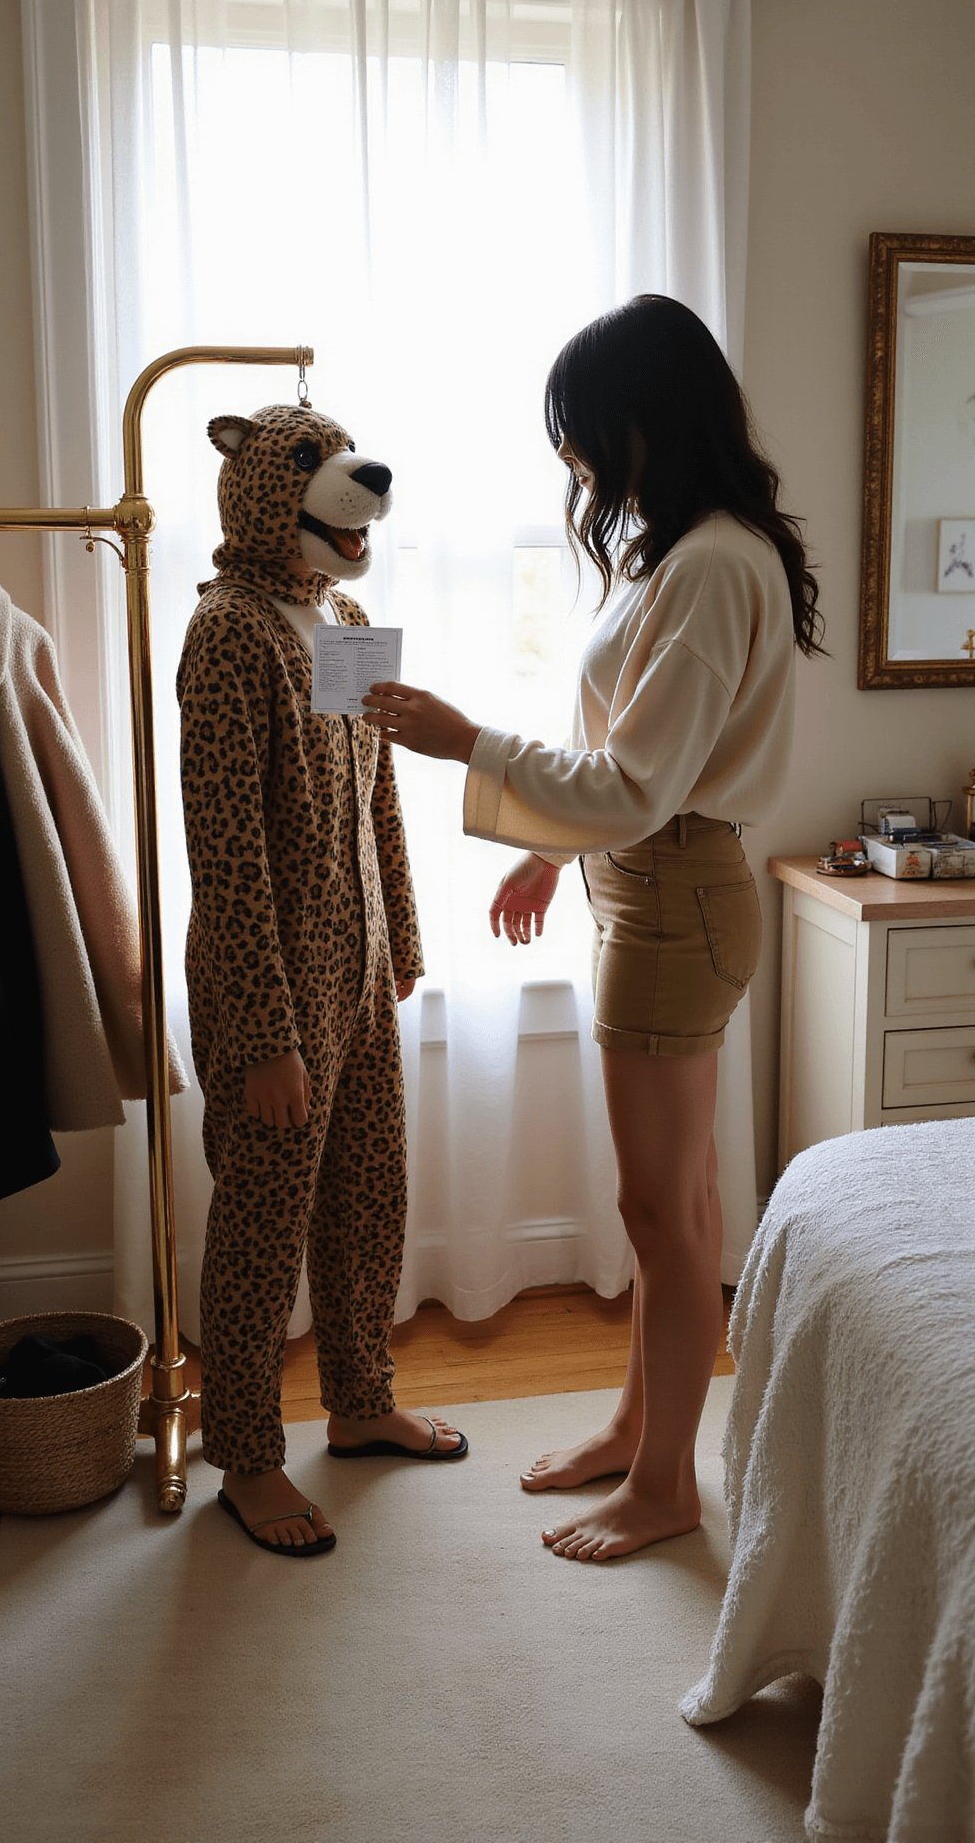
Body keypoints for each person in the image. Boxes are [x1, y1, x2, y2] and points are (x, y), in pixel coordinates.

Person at [362, 295, 823, 1563]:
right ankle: (637, 1429)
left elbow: (637, 787)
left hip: (673, 896)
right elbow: (633, 761)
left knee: (660, 1213)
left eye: (579, 432)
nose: (570, 459)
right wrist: (543, 854)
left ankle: (667, 1483)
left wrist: (470, 744)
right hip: (654, 883)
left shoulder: (714, 563)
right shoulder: (676, 553)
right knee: (678, 1203)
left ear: (642, 419)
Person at [178, 403, 467, 1562]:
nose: (345, 490)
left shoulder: (344, 617)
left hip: (359, 972)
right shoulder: (227, 634)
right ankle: (247, 1457)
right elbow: (226, 848)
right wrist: (261, 1033)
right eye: (307, 465)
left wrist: (399, 934)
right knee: (260, 1225)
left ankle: (358, 1405)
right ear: (260, 492)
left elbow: (377, 793)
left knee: (367, 1192)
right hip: (273, 994)